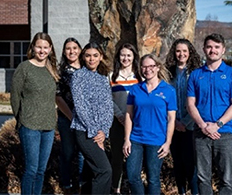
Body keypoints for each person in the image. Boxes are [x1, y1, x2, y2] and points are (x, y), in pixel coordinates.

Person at [187, 33, 232, 195]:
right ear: (204, 49)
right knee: (202, 177)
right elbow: (190, 104)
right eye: (210, 47)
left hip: (224, 133)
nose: (213, 50)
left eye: (217, 47)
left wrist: (218, 124)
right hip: (201, 132)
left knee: (226, 178)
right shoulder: (196, 75)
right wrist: (203, 125)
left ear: (223, 50)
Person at [10, 32, 60, 195]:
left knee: (41, 170)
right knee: (31, 169)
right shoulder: (24, 68)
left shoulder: (51, 69)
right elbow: (15, 96)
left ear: (50, 49)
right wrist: (21, 120)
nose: (42, 50)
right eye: (39, 46)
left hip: (48, 126)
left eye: (45, 47)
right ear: (32, 47)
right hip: (29, 125)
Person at [123, 53, 177, 195]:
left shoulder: (169, 90)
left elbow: (171, 119)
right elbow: (129, 115)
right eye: (144, 67)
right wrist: (127, 139)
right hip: (136, 139)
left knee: (153, 179)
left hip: (156, 140)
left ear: (158, 67)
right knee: (133, 176)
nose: (147, 69)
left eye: (151, 66)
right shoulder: (135, 89)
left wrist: (168, 143)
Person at [70, 42, 113, 194]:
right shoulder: (78, 76)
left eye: (95, 56)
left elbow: (108, 107)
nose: (91, 59)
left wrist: (104, 131)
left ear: (101, 57)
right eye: (88, 56)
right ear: (83, 57)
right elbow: (81, 107)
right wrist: (96, 132)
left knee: (90, 173)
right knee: (104, 171)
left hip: (99, 133)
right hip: (84, 131)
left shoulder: (103, 79)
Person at [165, 38, 201, 195]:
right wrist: (174, 122)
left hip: (190, 125)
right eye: (178, 51)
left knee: (190, 163)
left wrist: (185, 122)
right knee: (177, 163)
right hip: (172, 124)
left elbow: (199, 100)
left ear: (190, 53)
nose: (181, 54)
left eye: (184, 51)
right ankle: (181, 191)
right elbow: (164, 98)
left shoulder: (195, 73)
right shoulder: (168, 73)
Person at [109, 43, 143, 194]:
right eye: (123, 55)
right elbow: (108, 100)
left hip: (136, 124)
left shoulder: (140, 76)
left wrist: (131, 117)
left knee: (133, 160)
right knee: (116, 159)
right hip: (117, 123)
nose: (126, 58)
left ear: (134, 57)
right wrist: (120, 116)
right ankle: (115, 189)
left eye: (129, 55)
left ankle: (131, 189)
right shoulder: (111, 76)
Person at [55, 37, 84, 194]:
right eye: (68, 48)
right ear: (64, 52)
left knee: (82, 153)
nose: (72, 51)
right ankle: (66, 186)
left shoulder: (87, 69)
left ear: (79, 50)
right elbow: (58, 97)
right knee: (67, 152)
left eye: (74, 48)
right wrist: (72, 118)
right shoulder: (61, 71)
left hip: (85, 121)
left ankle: (80, 185)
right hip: (67, 118)